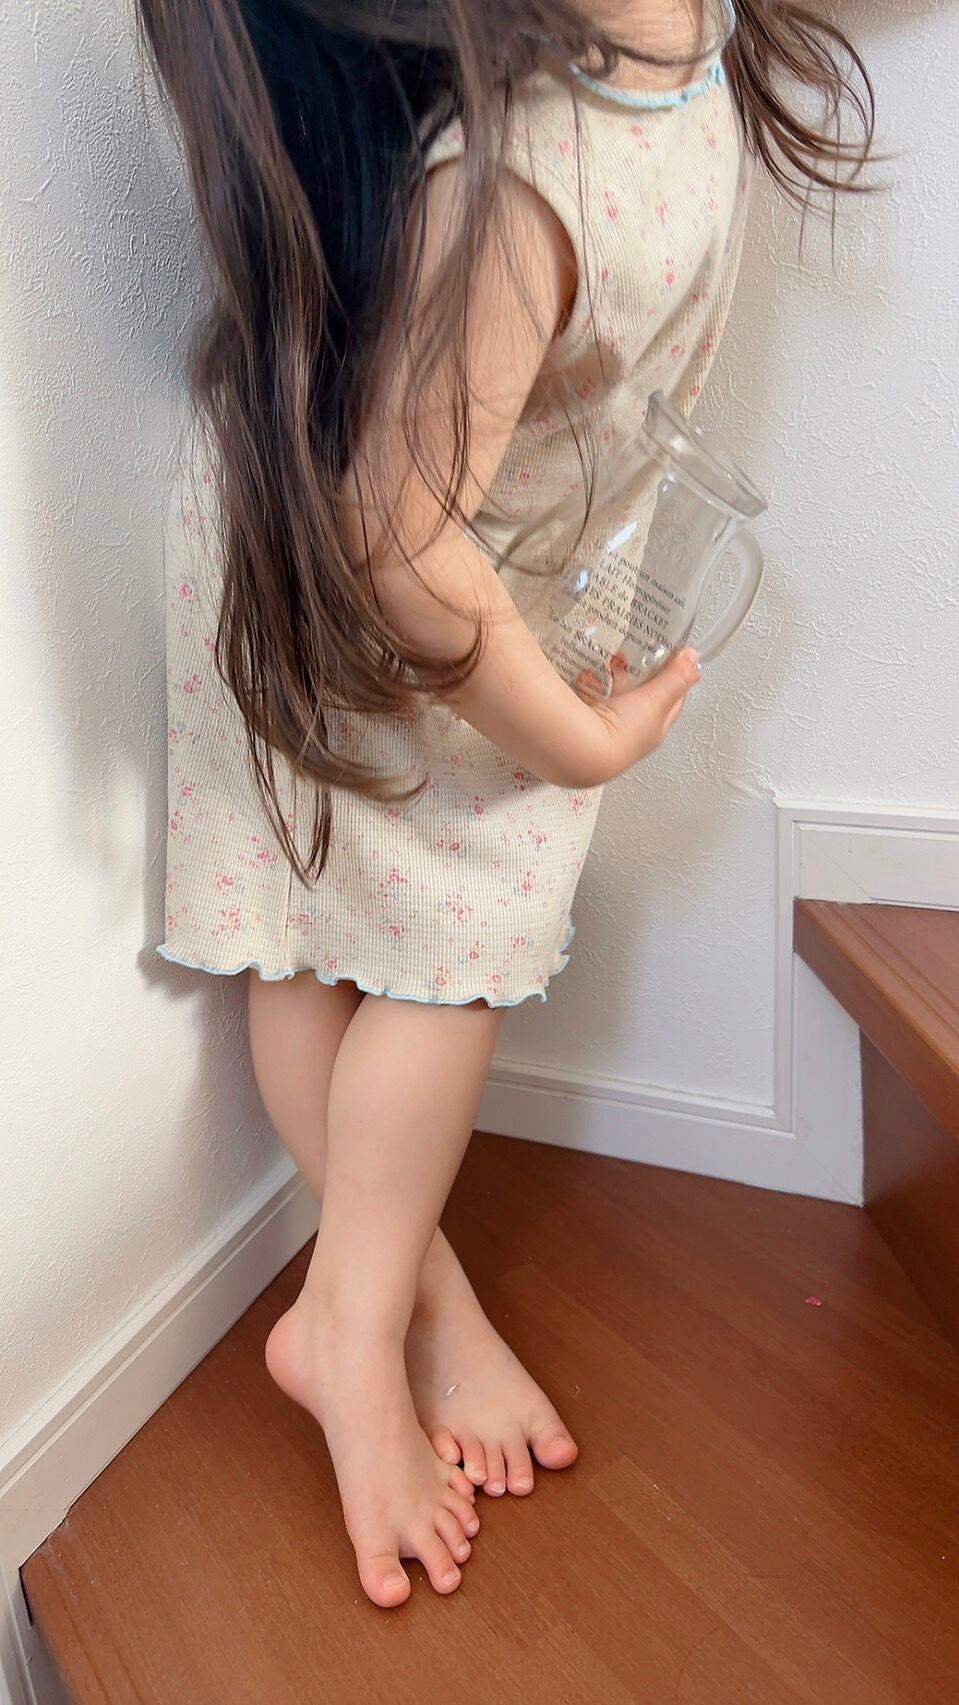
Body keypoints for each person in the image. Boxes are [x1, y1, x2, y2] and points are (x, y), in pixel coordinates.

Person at [138, 0, 874, 1607]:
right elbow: (397, 544)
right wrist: (580, 747)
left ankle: (401, 1293)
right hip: (352, 560)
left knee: (369, 932)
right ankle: (355, 1329)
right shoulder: (528, 171)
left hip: (440, 555)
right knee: (408, 942)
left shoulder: (666, 41)